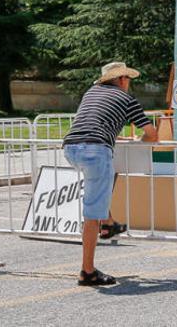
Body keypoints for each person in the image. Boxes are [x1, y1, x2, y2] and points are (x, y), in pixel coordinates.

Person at [63, 61, 158, 286]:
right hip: (95, 150)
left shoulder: (91, 92)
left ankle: (109, 222)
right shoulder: (126, 99)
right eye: (128, 80)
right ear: (123, 79)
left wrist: (112, 139)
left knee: (105, 181)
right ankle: (88, 271)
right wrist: (141, 141)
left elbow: (94, 121)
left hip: (71, 147)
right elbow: (151, 133)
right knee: (91, 214)